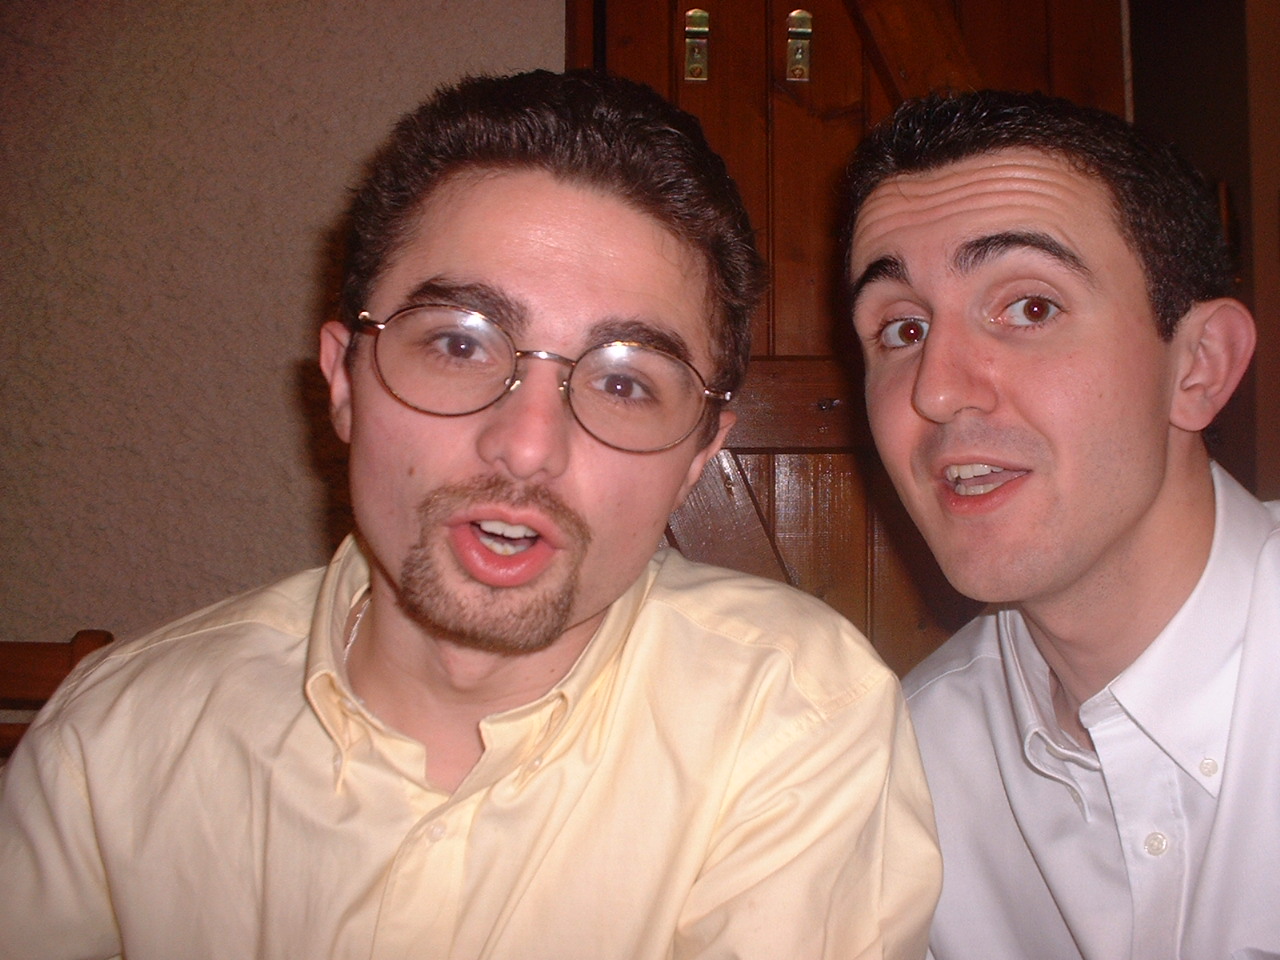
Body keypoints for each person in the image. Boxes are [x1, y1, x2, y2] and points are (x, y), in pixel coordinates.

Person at [0, 70, 940, 959]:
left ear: (698, 455)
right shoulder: (110, 746)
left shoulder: (793, 721)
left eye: (623, 382)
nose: (527, 447)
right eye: (459, 344)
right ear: (342, 381)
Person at [843, 87, 1278, 960]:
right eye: (902, 329)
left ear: (1197, 368)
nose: (936, 390)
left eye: (1029, 307)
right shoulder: (909, 766)